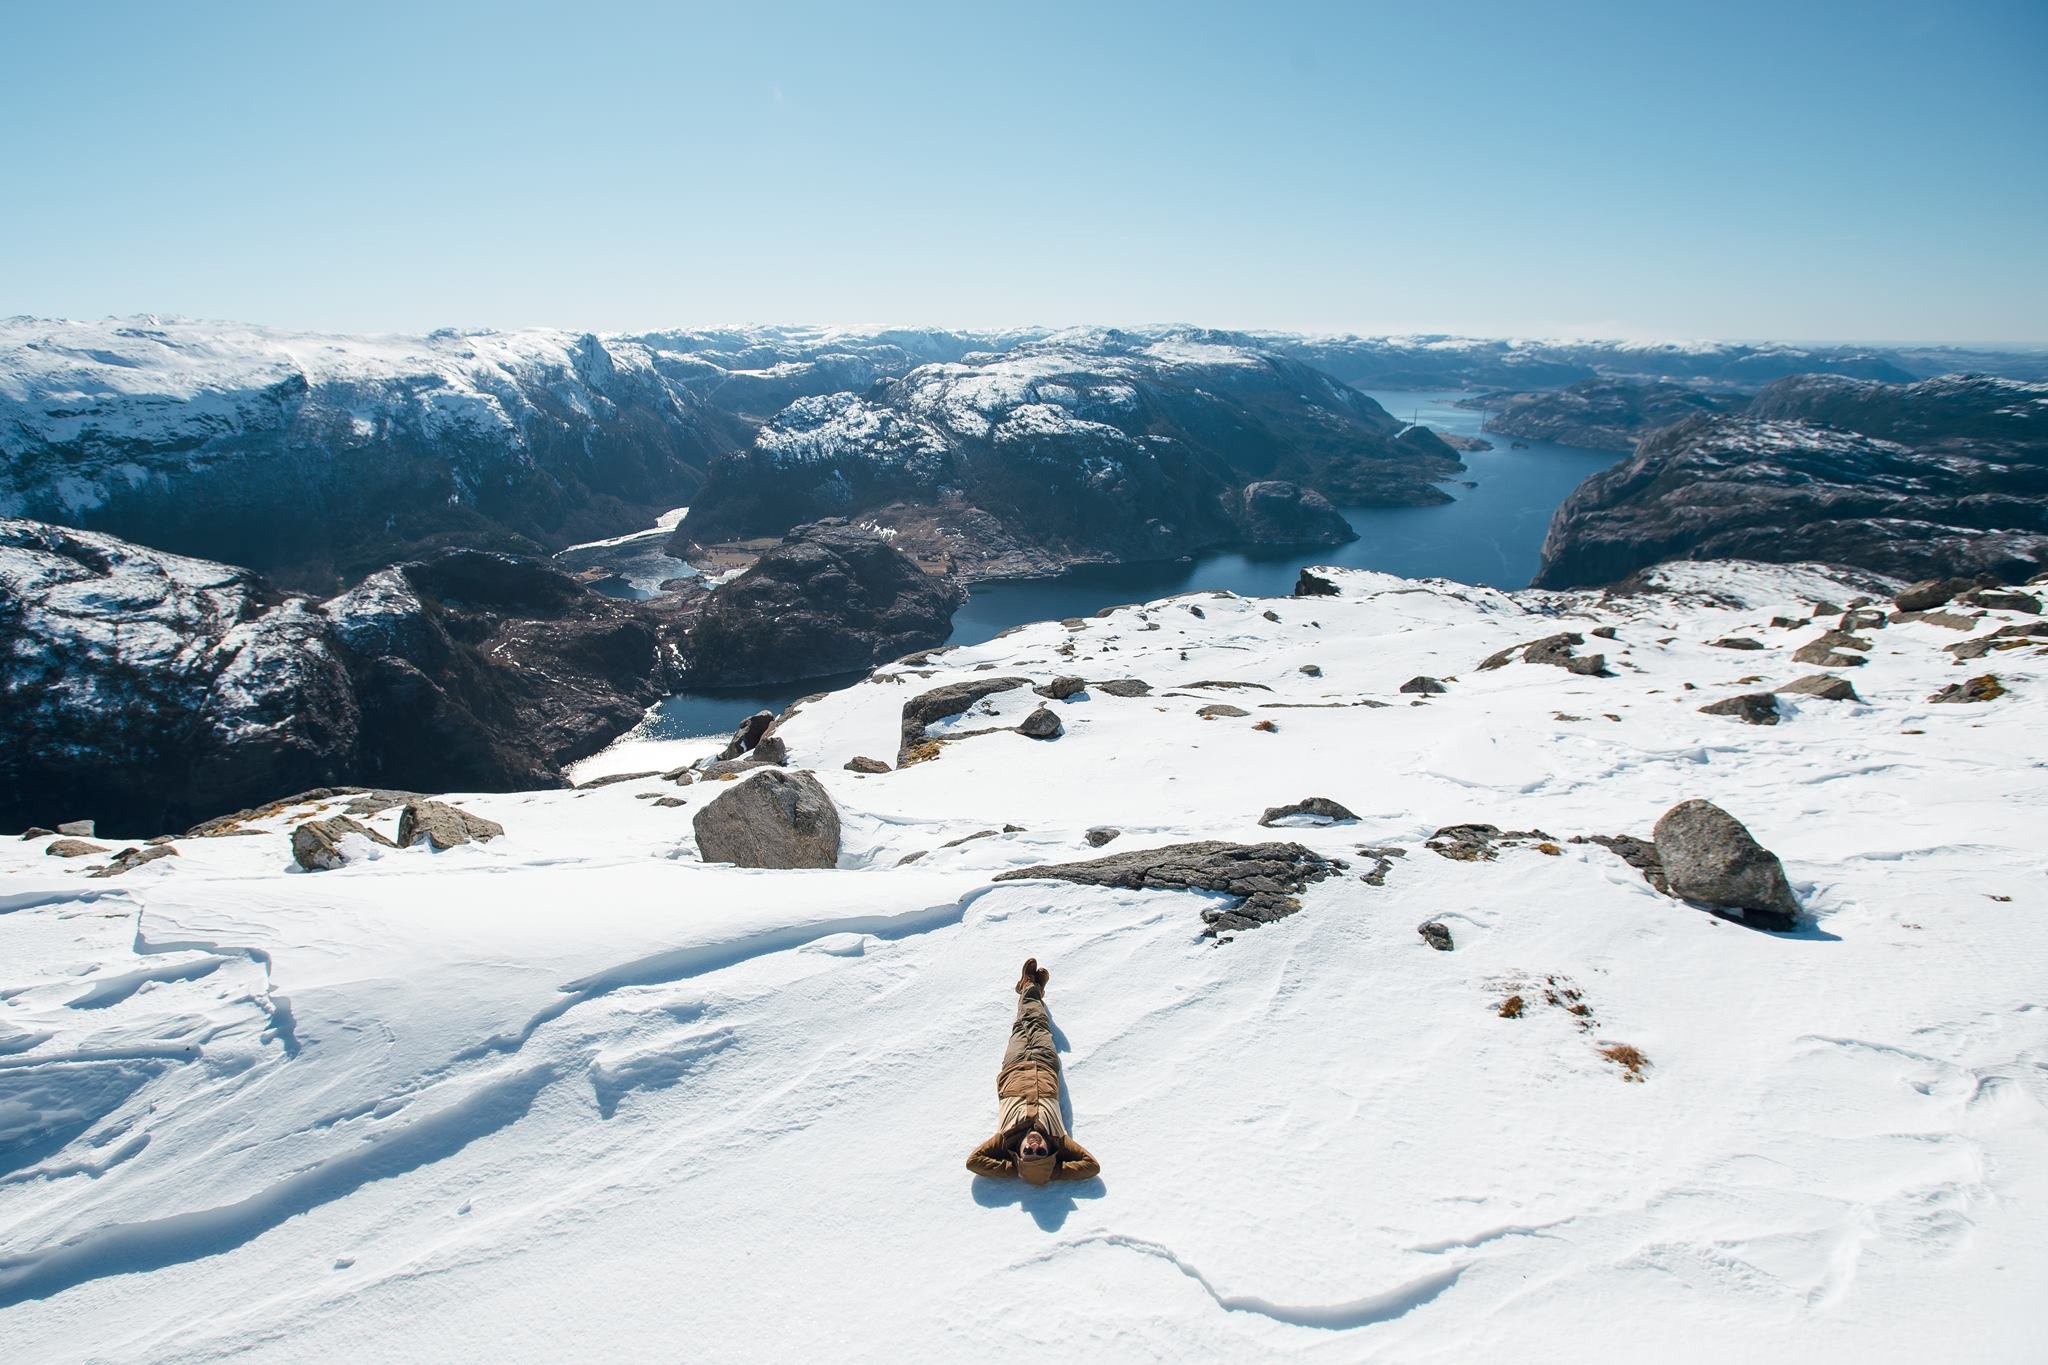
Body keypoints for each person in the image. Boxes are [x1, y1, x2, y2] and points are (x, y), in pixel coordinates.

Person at [966, 957, 1101, 1185]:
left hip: (1014, 1068)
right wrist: (1055, 1170)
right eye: (1041, 1153)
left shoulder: (1004, 1140)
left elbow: (974, 1162)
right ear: (1050, 1150)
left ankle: (1029, 987)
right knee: (1038, 1023)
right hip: (1045, 1066)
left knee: (1020, 1026)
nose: (1035, 1146)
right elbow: (1090, 1166)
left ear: (1020, 1153)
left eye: (1029, 1152)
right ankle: (1030, 987)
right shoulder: (1058, 1139)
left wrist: (1014, 1168)